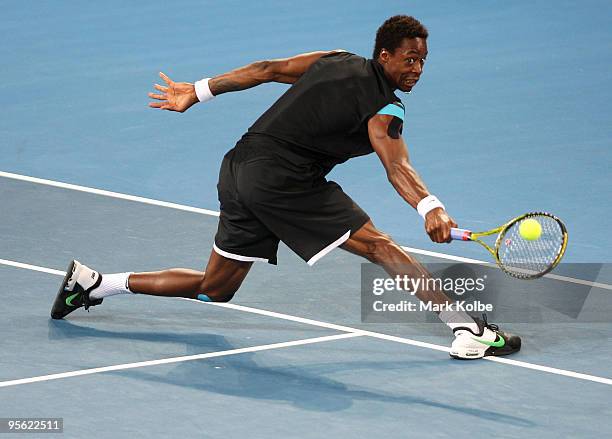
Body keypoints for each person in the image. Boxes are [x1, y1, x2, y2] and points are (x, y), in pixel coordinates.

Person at [50, 15, 520, 360]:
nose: (417, 68)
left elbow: (267, 68)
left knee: (216, 288)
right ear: (384, 56)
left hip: (238, 167)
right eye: (409, 59)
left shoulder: (334, 59)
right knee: (379, 245)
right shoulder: (385, 107)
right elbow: (396, 164)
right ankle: (466, 327)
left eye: (423, 61)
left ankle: (95, 285)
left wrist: (199, 89)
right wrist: (429, 207)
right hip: (282, 179)